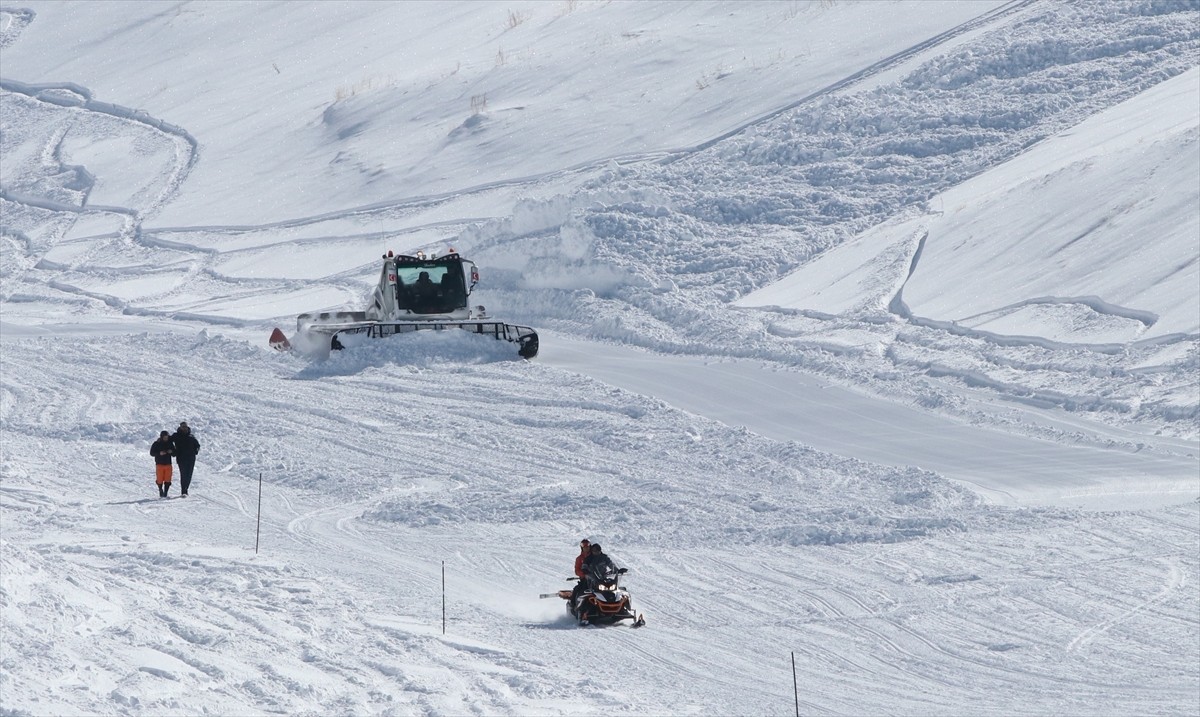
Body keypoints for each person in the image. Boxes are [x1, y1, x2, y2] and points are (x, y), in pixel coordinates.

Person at [171, 421, 201, 497]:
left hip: (191, 458)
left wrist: (196, 451)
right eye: (182, 426)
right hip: (181, 458)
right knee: (183, 474)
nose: (184, 428)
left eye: (185, 426)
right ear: (180, 427)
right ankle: (183, 491)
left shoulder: (191, 436)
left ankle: (186, 488)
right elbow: (168, 441)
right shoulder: (176, 436)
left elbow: (197, 445)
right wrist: (173, 451)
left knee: (189, 475)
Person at [150, 430, 175, 498]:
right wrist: (159, 453)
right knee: (159, 479)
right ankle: (160, 489)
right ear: (161, 437)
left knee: (168, 479)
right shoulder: (156, 443)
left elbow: (174, 453)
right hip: (159, 464)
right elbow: (151, 453)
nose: (166, 438)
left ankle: (166, 491)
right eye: (164, 437)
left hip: (168, 464)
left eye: (167, 437)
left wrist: (171, 452)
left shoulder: (170, 443)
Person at [570, 539, 591, 606]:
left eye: (587, 547)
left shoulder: (594, 556)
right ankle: (573, 605)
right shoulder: (579, 559)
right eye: (584, 547)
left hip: (597, 579)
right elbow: (577, 570)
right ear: (582, 548)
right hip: (585, 580)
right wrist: (584, 574)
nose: (586, 549)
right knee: (577, 589)